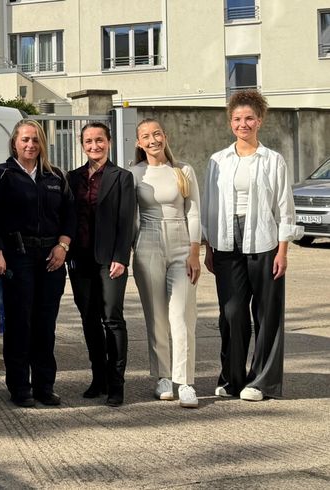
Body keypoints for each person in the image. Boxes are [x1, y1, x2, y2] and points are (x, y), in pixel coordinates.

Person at [201, 89, 302, 401]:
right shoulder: (218, 160)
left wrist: (283, 251)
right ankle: (232, 380)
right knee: (231, 313)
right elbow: (208, 205)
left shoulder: (273, 160)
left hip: (264, 240)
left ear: (259, 121)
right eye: (237, 119)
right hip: (226, 242)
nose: (242, 124)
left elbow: (284, 207)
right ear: (230, 122)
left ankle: (261, 382)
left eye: (248, 118)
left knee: (266, 313)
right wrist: (208, 248)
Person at [0, 120, 74, 408]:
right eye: (25, 140)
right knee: (20, 324)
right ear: (15, 143)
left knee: (45, 325)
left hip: (51, 259)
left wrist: (63, 246)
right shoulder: (1, 175)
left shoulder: (56, 176)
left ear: (41, 143)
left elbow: (70, 216)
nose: (30, 145)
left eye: (35, 140)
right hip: (16, 257)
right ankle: (20, 387)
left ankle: (45, 385)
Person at [130, 119, 202, 409]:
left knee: (180, 316)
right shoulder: (134, 173)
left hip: (182, 245)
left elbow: (194, 212)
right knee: (157, 316)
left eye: (157, 134)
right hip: (147, 245)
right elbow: (130, 216)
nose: (152, 140)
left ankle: (184, 381)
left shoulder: (183, 170)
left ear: (165, 136)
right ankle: (162, 376)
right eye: (146, 136)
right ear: (138, 143)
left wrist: (195, 251)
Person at [67, 122, 136, 407]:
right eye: (88, 142)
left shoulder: (122, 177)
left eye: (99, 140)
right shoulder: (72, 177)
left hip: (110, 260)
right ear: (82, 145)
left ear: (108, 141)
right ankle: (99, 378)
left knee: (112, 318)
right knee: (89, 319)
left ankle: (116, 383)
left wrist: (121, 258)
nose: (94, 146)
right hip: (80, 259)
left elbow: (126, 220)